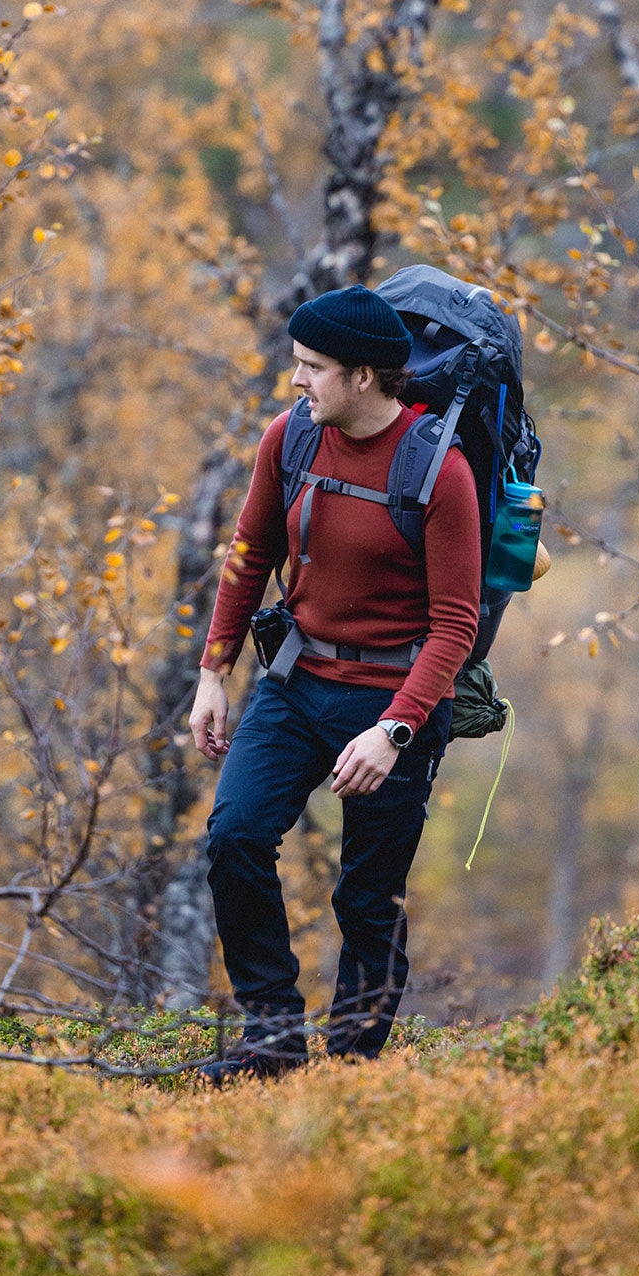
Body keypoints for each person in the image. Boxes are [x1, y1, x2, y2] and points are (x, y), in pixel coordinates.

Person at [189, 283, 481, 1078]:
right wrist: (214, 672)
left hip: (398, 703)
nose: (296, 381)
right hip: (295, 681)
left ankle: (351, 1067)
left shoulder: (440, 471)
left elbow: (455, 624)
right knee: (236, 837)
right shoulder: (289, 438)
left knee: (366, 896)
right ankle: (274, 1037)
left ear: (363, 376)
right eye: (297, 364)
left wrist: (394, 732)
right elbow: (249, 556)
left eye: (311, 367)